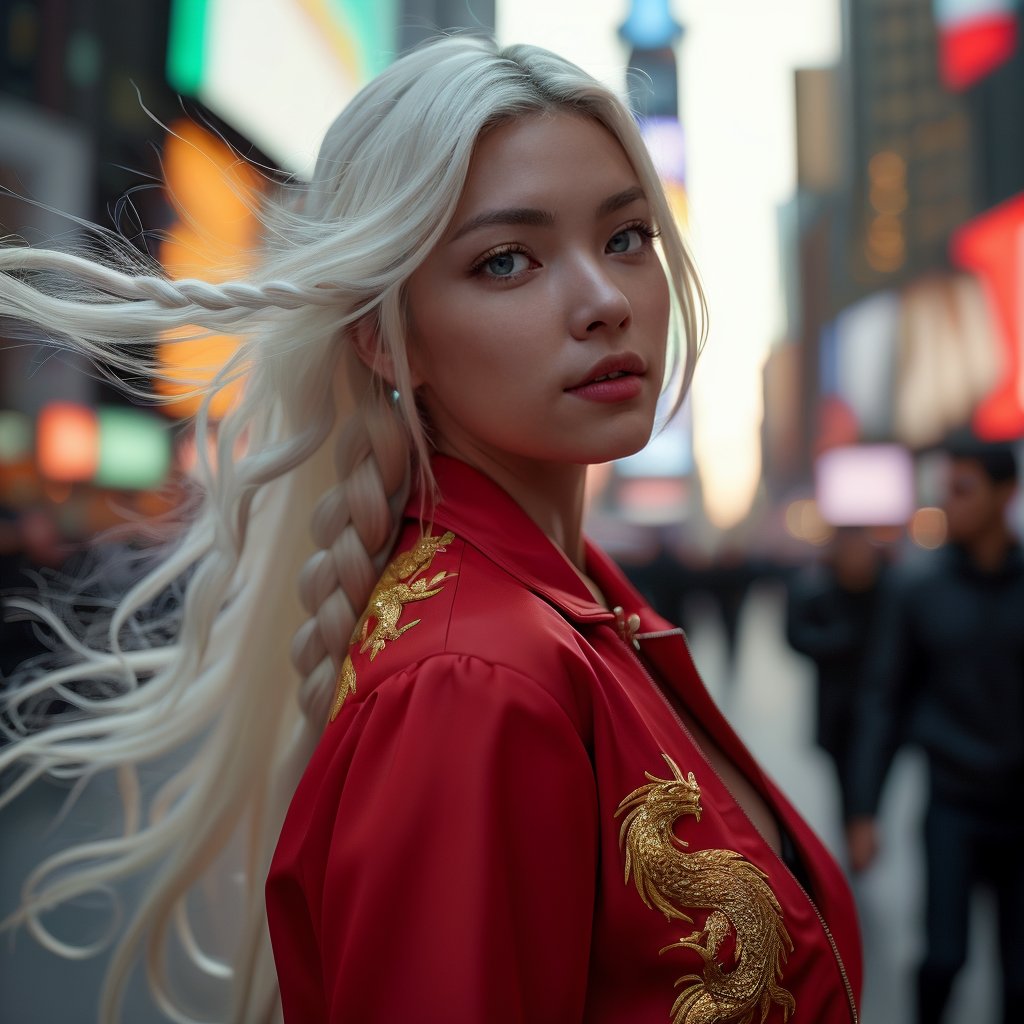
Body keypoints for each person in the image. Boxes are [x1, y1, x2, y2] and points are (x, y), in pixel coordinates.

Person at [0, 37, 861, 1023]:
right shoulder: (474, 678)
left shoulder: (556, 602)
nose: (604, 301)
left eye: (626, 237)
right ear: (384, 334)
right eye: (507, 260)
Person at [846, 433, 1024, 1024]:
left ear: (1006, 495)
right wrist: (864, 811)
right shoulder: (916, 588)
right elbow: (882, 700)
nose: (949, 502)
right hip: (952, 804)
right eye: (945, 489)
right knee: (942, 959)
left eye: (963, 490)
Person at [786, 527, 887, 820]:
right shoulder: (815, 589)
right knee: (846, 781)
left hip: (879, 706)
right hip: (837, 707)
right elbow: (796, 636)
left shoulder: (889, 592)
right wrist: (839, 641)